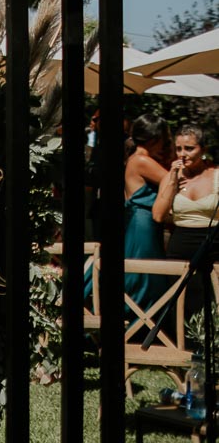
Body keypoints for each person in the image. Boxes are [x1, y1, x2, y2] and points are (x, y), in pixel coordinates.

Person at [84, 114, 171, 315]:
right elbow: (170, 178)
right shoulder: (141, 159)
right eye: (165, 140)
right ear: (154, 139)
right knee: (145, 276)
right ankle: (136, 321)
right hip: (143, 224)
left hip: (140, 221)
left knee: (144, 273)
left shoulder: (138, 158)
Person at [153, 125, 219, 317]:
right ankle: (186, 346)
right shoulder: (171, 177)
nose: (183, 154)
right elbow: (158, 215)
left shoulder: (215, 174)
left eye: (189, 148)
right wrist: (173, 179)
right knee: (184, 305)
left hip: (213, 243)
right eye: (179, 148)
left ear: (203, 149)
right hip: (180, 244)